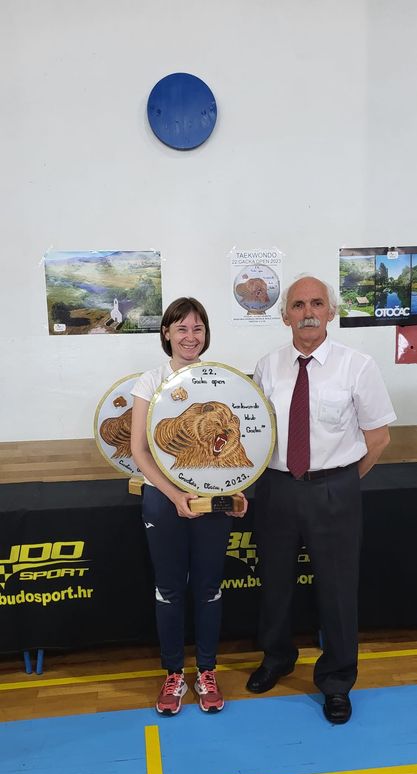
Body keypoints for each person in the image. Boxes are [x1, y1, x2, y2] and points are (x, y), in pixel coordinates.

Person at [246, 275, 396, 724]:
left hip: (335, 488)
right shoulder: (267, 366)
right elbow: (254, 434)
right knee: (274, 582)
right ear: (285, 316)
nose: (307, 312)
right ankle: (277, 658)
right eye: (298, 305)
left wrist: (340, 481)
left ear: (331, 312)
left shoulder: (357, 366)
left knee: (337, 589)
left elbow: (379, 438)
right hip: (276, 488)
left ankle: (336, 680)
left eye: (316, 303)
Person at [130, 297, 247, 716]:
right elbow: (139, 450)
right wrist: (174, 494)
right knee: (169, 589)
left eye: (198, 328)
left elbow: (242, 444)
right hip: (162, 499)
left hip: (212, 500)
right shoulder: (150, 381)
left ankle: (207, 671)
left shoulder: (222, 381)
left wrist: (237, 489)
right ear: (166, 333)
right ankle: (174, 674)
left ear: (206, 334)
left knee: (209, 587)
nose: (190, 336)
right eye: (181, 328)